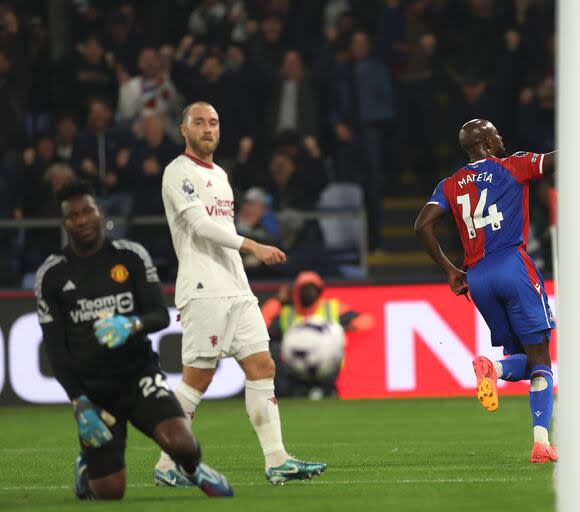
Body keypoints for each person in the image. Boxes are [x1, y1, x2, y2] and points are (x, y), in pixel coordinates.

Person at [414, 96, 580, 464]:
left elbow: (422, 225)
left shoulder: (449, 184)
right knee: (541, 358)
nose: (501, 138)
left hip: (477, 278)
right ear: (489, 144)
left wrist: (450, 270)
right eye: (496, 135)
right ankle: (539, 440)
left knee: (525, 359)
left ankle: (497, 370)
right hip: (512, 264)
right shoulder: (514, 165)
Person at [155, 101, 327, 486]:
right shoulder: (178, 172)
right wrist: (254, 246)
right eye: (198, 122)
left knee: (262, 367)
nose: (207, 128)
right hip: (204, 288)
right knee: (197, 378)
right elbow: (199, 227)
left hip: (235, 288)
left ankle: (276, 459)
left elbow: (220, 228)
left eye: (213, 122)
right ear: (183, 129)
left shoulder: (219, 174)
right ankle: (167, 464)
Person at [34, 180, 233, 499]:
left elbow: (160, 315)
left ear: (100, 213)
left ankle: (194, 469)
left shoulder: (131, 256)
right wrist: (79, 403)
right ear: (64, 223)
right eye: (74, 215)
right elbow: (57, 351)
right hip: (94, 391)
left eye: (88, 211)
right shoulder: (52, 275)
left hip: (138, 376)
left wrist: (132, 323)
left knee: (182, 444)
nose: (82, 219)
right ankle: (87, 464)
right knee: (110, 493)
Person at [261, 271, 375, 398]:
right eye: (305, 289)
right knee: (274, 349)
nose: (309, 293)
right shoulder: (287, 313)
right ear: (296, 291)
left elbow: (367, 321)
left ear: (320, 291)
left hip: (326, 370)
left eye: (312, 289)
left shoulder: (331, 308)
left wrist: (340, 329)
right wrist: (278, 301)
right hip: (295, 373)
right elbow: (261, 327)